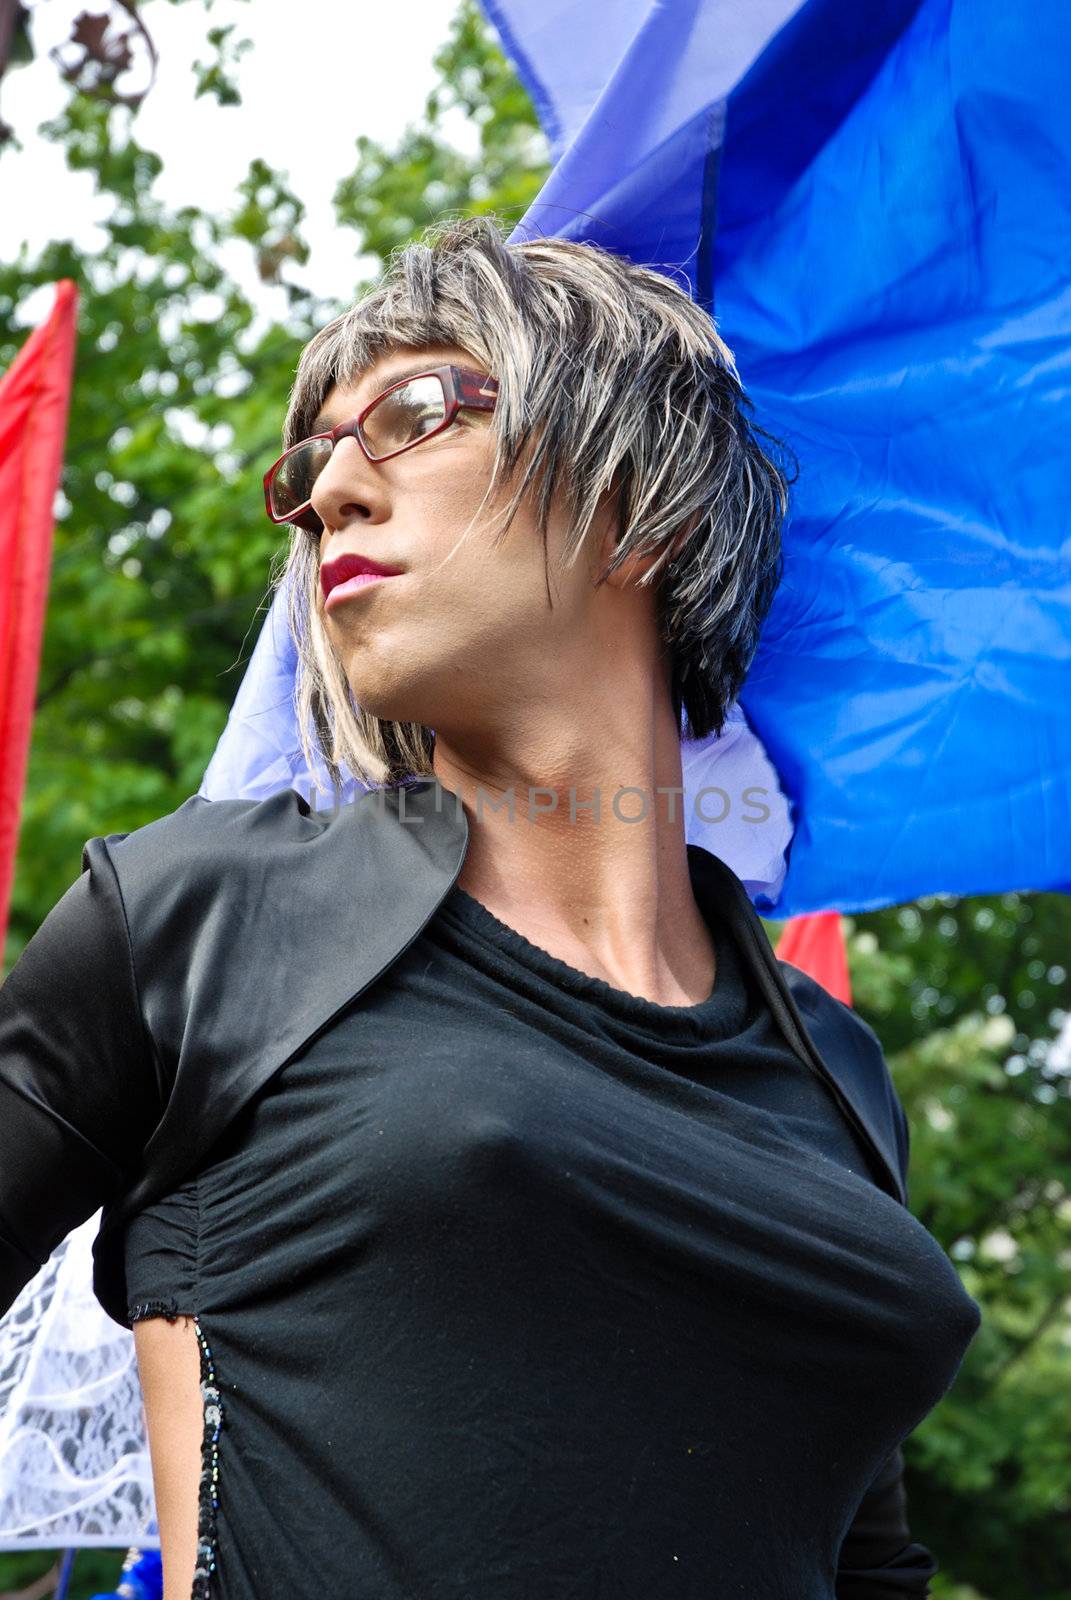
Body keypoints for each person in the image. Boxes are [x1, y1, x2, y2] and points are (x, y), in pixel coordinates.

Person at [0, 213, 981, 1599]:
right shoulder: (199, 916)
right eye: (313, 459)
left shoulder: (839, 1068)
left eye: (412, 411)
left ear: (649, 503)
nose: (331, 487)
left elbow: (864, 1559)